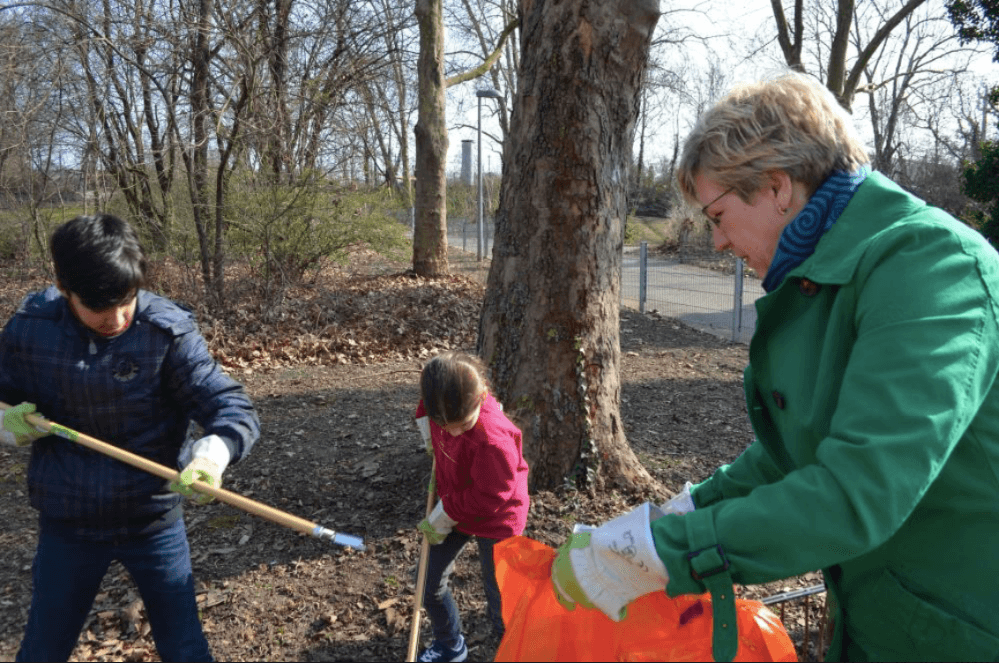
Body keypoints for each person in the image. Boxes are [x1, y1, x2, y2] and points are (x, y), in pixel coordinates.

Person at [550, 72, 999, 662]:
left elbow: (857, 490)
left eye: (717, 215)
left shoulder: (931, 268)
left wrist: (662, 552)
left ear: (777, 188)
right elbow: (796, 449)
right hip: (882, 619)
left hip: (962, 629)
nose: (717, 241)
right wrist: (687, 509)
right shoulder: (831, 274)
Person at [0, 213, 260, 662]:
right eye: (99, 307)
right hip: (68, 522)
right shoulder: (31, 329)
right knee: (43, 647)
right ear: (64, 288)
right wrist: (7, 425)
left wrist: (211, 455)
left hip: (152, 520)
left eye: (126, 300)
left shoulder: (165, 330)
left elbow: (229, 406)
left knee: (185, 647)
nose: (117, 318)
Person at [414, 351, 529, 663]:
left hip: (498, 518)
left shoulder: (493, 440)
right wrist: (428, 433)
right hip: (456, 505)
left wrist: (444, 515)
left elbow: (491, 496)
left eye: (462, 424)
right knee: (427, 582)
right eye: (444, 425)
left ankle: (512, 650)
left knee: (500, 596)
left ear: (482, 395)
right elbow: (426, 408)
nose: (453, 432)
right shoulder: (442, 405)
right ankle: (450, 644)